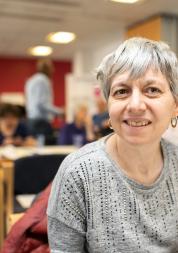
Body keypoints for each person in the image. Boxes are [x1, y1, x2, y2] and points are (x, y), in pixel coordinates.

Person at [47, 37, 178, 252]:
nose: (135, 105)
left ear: (175, 106)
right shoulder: (78, 174)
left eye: (152, 90)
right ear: (108, 107)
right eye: (121, 91)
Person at [25, 58, 63, 141]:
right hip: (41, 123)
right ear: (46, 68)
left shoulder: (31, 80)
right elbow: (42, 104)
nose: (53, 70)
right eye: (51, 67)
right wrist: (60, 112)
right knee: (44, 150)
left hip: (32, 121)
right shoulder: (43, 80)